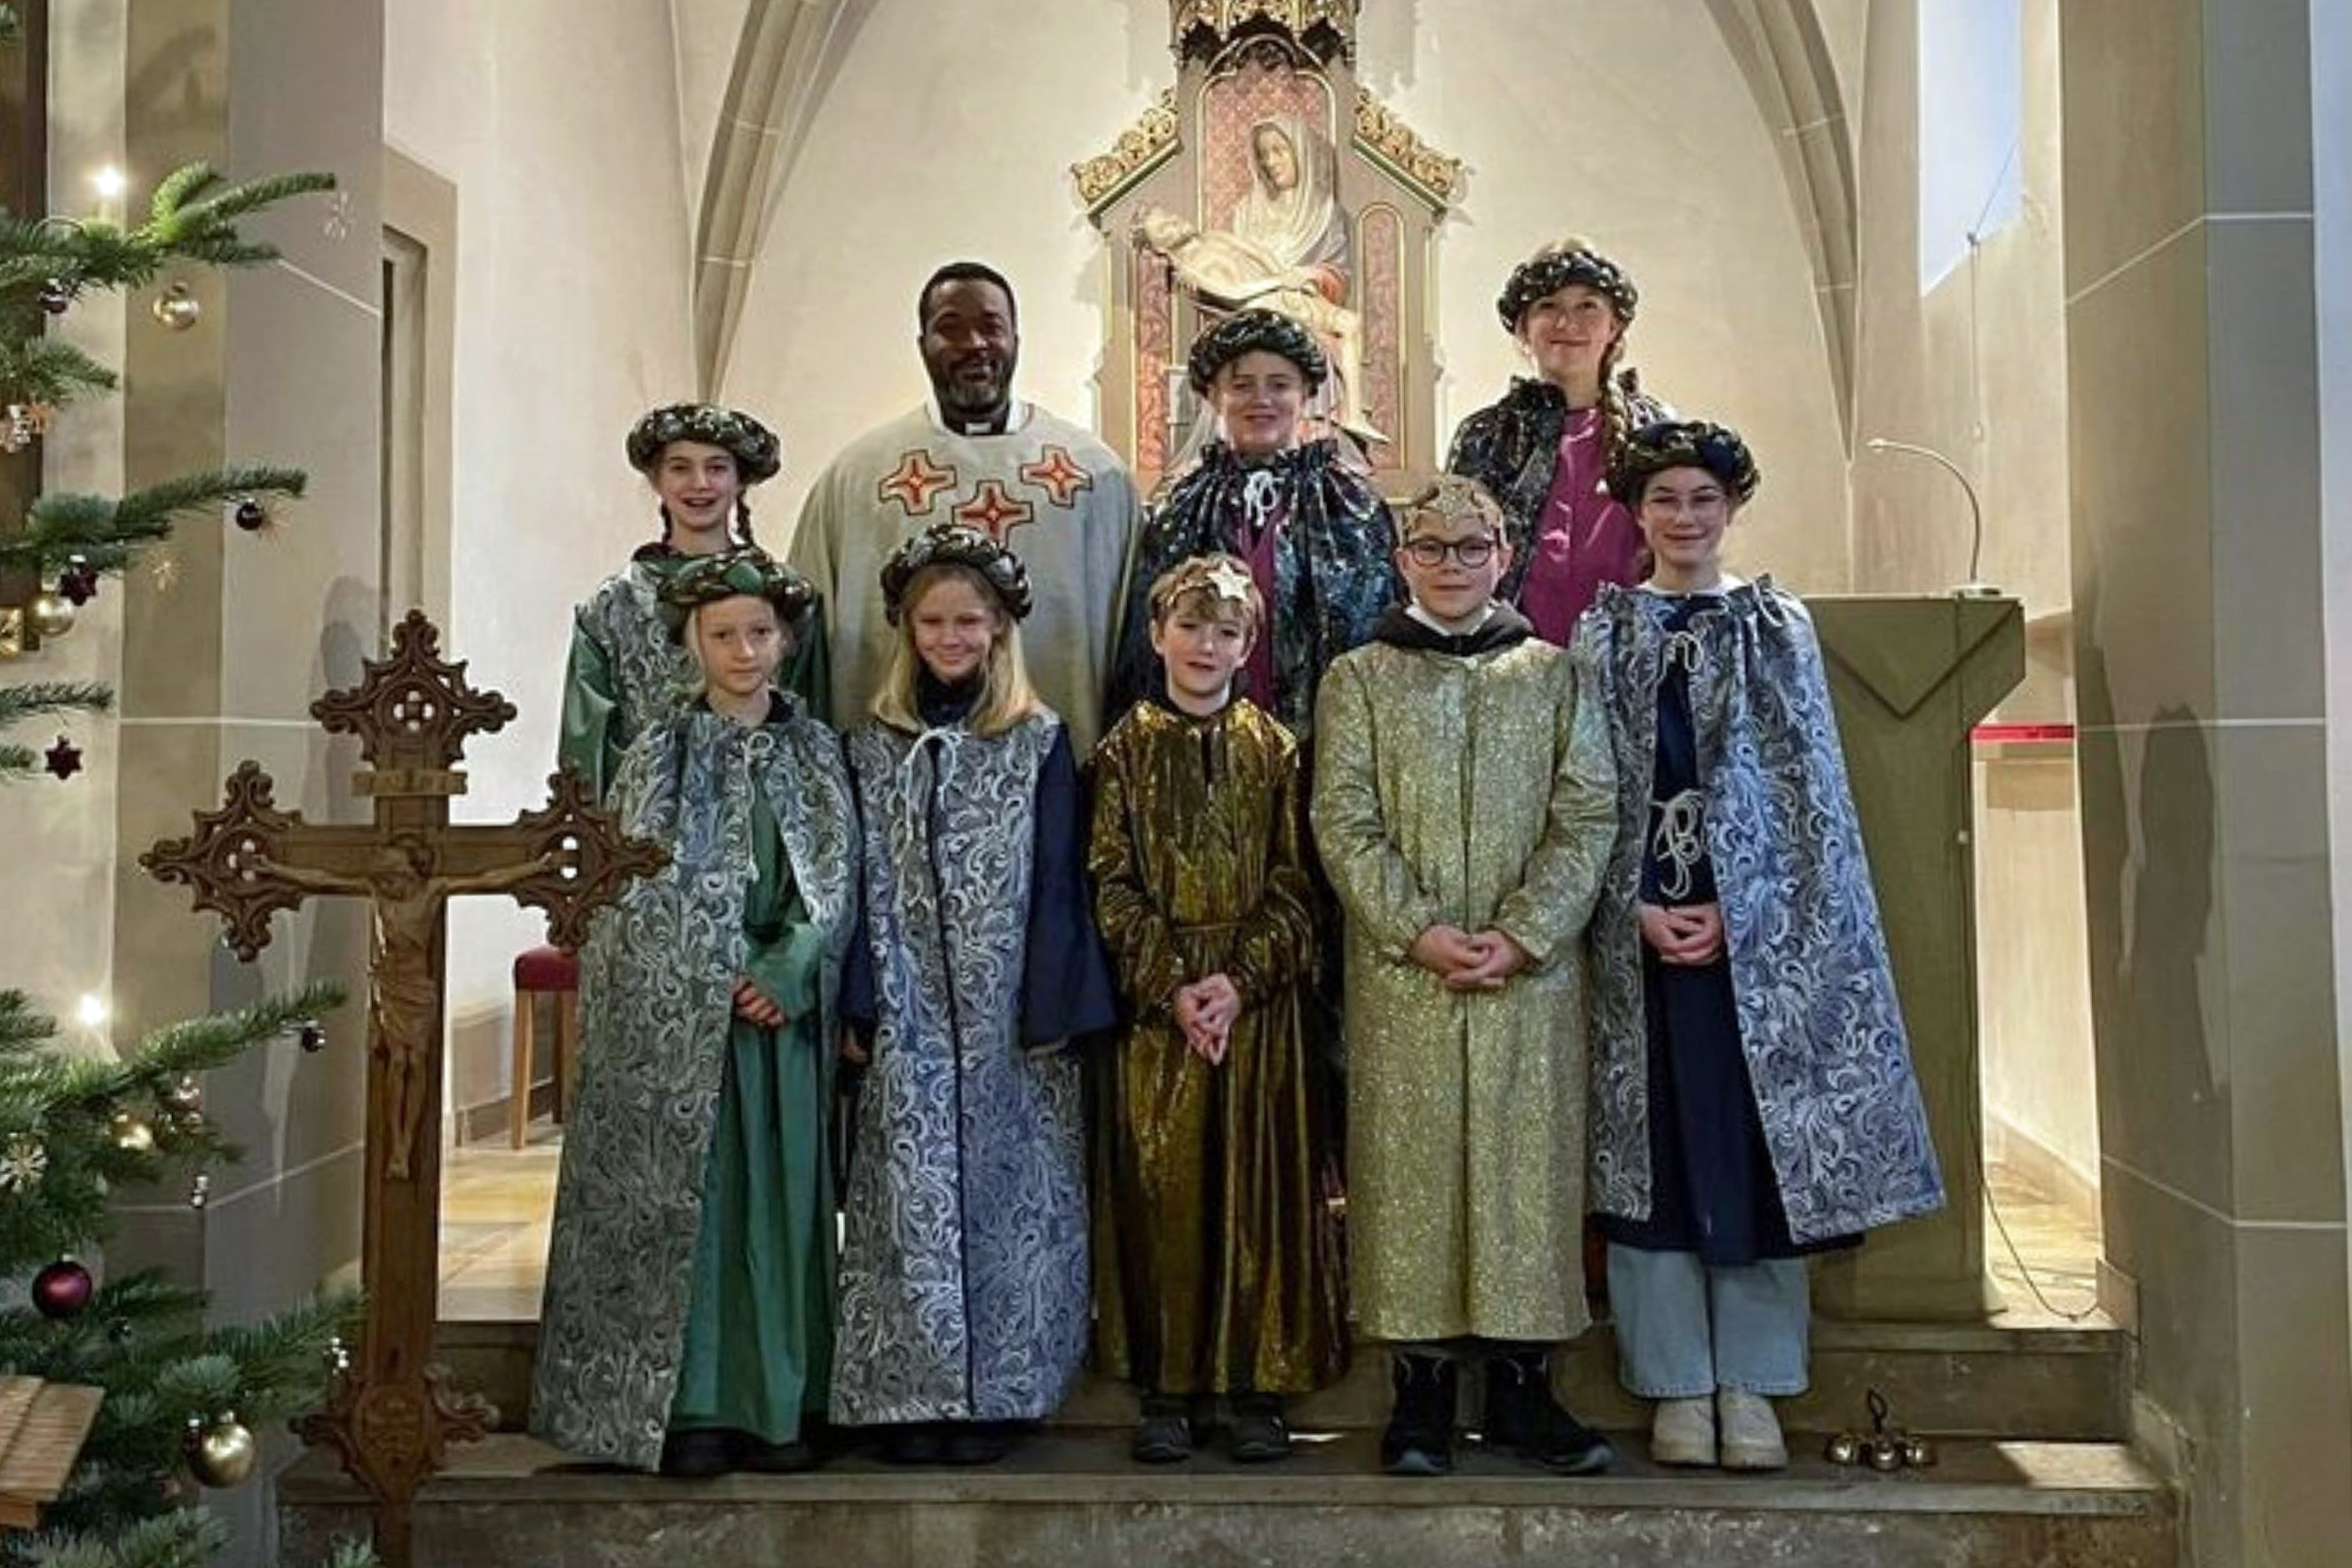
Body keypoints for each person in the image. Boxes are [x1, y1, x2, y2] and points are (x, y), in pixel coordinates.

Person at [1577, 421, 1943, 1471]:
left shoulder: (1774, 626)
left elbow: (1809, 793)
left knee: (1751, 1149)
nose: (1684, 518)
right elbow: (1583, 784)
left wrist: (1751, 910)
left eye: (1702, 499)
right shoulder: (1603, 634)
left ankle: (1757, 1381)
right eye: (1663, 500)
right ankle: (1673, 1385)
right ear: (1635, 514)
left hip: (1757, 948)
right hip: (1639, 934)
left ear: (1731, 508)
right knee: (1653, 1156)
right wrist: (1629, 904)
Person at [1310, 476, 1617, 1478]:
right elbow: (1341, 819)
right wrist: (1417, 929)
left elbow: (1587, 814)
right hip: (1408, 975)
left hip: (1530, 976)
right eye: (1429, 548)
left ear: (1504, 553)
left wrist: (1527, 933)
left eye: (1470, 547)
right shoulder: (1358, 679)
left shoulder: (1553, 675)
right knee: (1413, 1169)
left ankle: (1527, 1386)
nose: (1450, 565)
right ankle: (1422, 1390)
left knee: (1527, 1169)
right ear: (1401, 561)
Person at [533, 547, 858, 1477]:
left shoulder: (814, 750)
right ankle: (695, 1405)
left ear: (786, 642)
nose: (744, 651)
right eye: (722, 635)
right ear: (691, 645)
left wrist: (790, 964)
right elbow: (632, 880)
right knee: (698, 1211)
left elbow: (835, 878)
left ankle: (780, 1403)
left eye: (760, 633)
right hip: (689, 1023)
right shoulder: (657, 754)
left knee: (783, 1206)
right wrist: (709, 969)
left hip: (779, 1023)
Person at [832, 521, 1118, 1467]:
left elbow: (1057, 881)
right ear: (906, 631)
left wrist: (1052, 1011)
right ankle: (909, 1392)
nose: (952, 639)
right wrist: (862, 999)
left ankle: (1002, 1389)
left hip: (1008, 1020)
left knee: (1010, 1197)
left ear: (1000, 631)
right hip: (910, 1013)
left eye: (970, 622)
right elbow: (856, 875)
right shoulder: (872, 745)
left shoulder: (1035, 740)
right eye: (933, 622)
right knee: (905, 1199)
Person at [1089, 554, 1347, 1466]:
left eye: (1226, 630)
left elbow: (1296, 885)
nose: (1206, 644)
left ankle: (1250, 1383)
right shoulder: (1122, 750)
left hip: (1256, 1010)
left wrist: (1238, 982)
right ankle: (1168, 1382)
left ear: (1250, 645)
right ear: (1157, 634)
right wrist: (1172, 982)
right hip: (1158, 1016)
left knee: (1256, 1187)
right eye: (1190, 626)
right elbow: (1109, 882)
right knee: (1163, 1189)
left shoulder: (1273, 749)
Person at [789, 262, 1137, 751]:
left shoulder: (1096, 477)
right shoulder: (859, 478)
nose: (975, 344)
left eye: (991, 327)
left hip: (1059, 773)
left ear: (1016, 338)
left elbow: (1136, 641)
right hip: (897, 776)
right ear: (922, 346)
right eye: (950, 329)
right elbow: (803, 646)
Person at [1109, 309, 1398, 737]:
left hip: (1322, 740)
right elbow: (1144, 641)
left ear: (1306, 394)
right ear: (1214, 396)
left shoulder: (1352, 507)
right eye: (1241, 386)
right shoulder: (1181, 507)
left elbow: (1376, 638)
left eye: (1279, 385)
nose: (1260, 400)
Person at [561, 402, 808, 802]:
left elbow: (811, 719)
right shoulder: (613, 607)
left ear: (740, 480)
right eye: (680, 468)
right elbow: (587, 746)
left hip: (764, 817)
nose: (700, 484)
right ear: (656, 480)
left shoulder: (786, 597)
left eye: (716, 468)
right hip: (650, 832)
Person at [1446, 239, 1671, 643]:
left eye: (1587, 306)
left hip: (1633, 660)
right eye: (1548, 306)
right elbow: (1453, 554)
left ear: (1614, 326)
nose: (1568, 323)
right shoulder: (1483, 437)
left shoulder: (1654, 429)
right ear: (1522, 327)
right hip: (1514, 666)